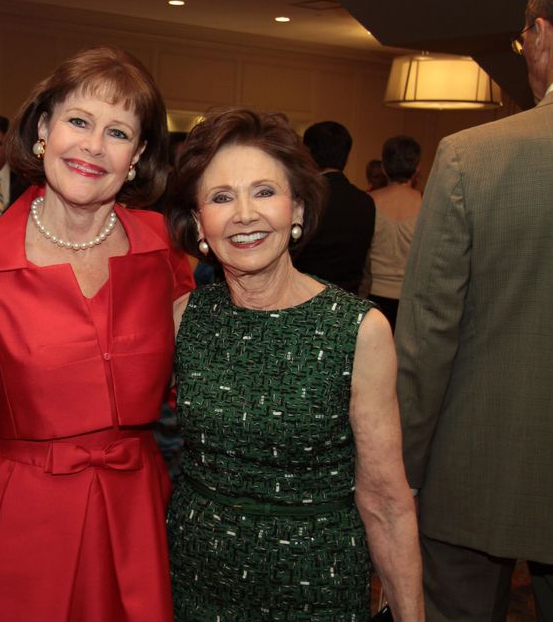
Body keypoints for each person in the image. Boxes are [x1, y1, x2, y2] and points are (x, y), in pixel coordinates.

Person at [0, 45, 194, 622]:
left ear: (137, 155)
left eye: (118, 132)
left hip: (135, 514)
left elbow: (195, 382)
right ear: (44, 129)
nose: (94, 146)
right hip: (13, 517)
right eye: (79, 121)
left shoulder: (162, 247)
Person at [165, 108, 422, 621]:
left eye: (264, 191)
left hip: (316, 584)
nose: (244, 214)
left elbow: (385, 501)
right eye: (221, 197)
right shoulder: (183, 316)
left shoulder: (358, 329)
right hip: (194, 578)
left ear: (297, 207)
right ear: (198, 222)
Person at [395, 0, 553, 618]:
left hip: (475, 470)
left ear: (540, 34)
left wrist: (401, 470)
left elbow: (428, 335)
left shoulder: (471, 158)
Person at [294, 120, 375, 294]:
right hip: (349, 298)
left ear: (308, 153)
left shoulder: (305, 199)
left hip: (306, 297)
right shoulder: (365, 202)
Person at [364, 136, 421, 331]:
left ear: (384, 168)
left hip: (372, 294)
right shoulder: (426, 205)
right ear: (417, 168)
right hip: (409, 298)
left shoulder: (367, 202)